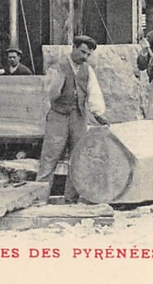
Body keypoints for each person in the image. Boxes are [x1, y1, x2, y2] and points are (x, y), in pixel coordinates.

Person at [36, 35, 107, 203]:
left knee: (77, 159)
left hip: (79, 117)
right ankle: (38, 199)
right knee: (49, 158)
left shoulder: (87, 70)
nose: (84, 57)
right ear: (73, 47)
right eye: (82, 52)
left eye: (88, 54)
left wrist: (98, 113)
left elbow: (94, 92)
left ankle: (71, 199)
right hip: (58, 116)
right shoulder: (58, 66)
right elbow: (50, 95)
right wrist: (58, 83)